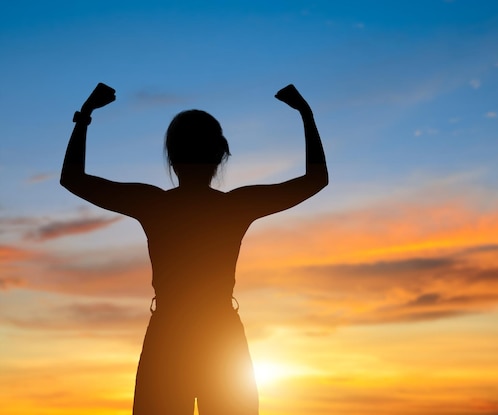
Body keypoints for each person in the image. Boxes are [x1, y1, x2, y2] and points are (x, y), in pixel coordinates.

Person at [60, 83, 328, 415]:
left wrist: (85, 115)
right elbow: (316, 179)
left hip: (169, 338)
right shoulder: (235, 207)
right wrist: (306, 114)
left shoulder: (153, 204)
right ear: (221, 155)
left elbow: (72, 178)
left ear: (172, 158)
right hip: (220, 336)